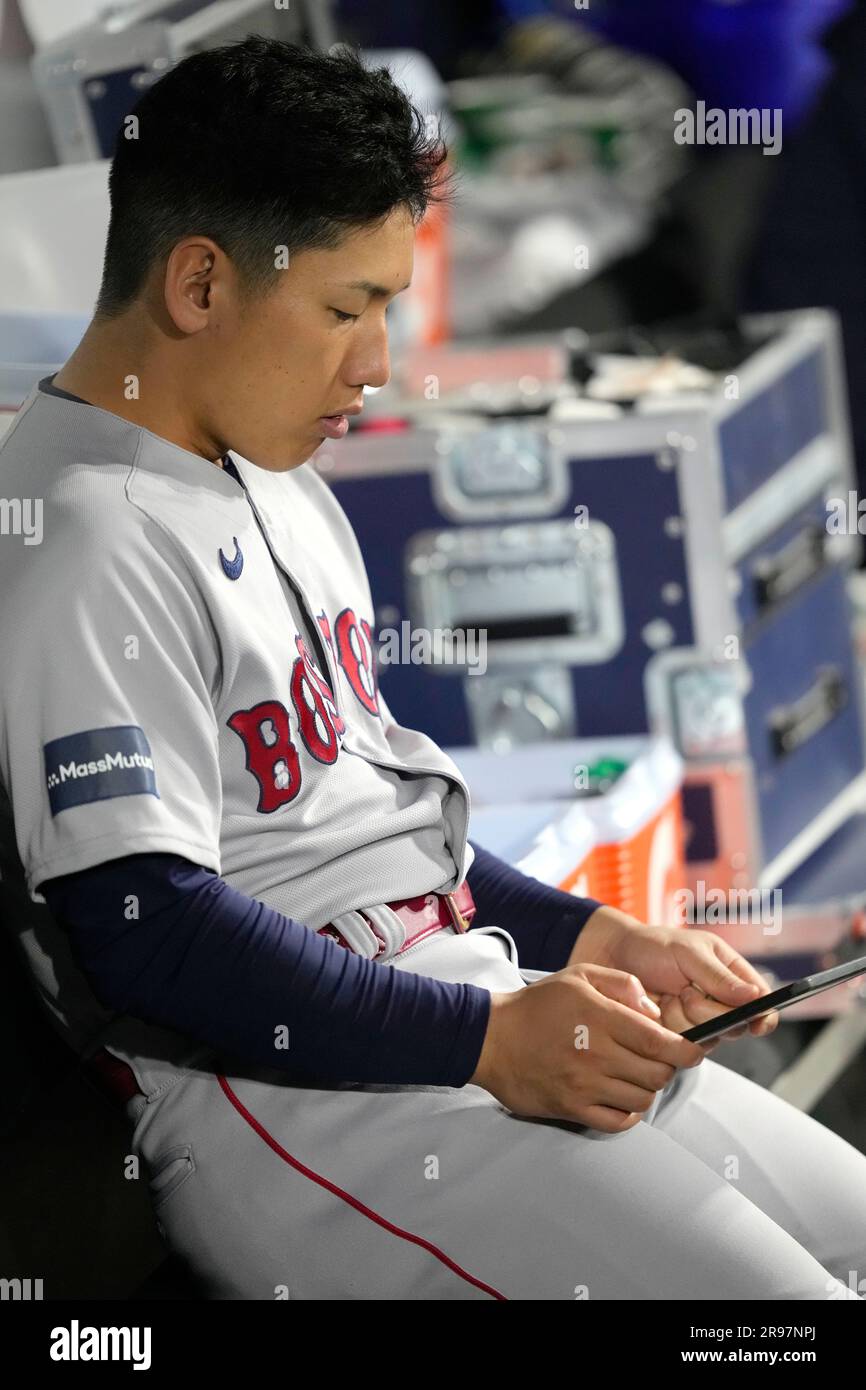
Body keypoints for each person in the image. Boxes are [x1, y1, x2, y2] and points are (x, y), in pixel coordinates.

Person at [1, 37, 864, 1301]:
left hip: (460, 1015)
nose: (375, 361)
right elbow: (144, 927)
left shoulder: (268, 471)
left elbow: (384, 820)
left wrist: (584, 936)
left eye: (386, 308)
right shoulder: (81, 527)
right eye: (345, 308)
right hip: (300, 1104)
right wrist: (489, 1040)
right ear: (197, 283)